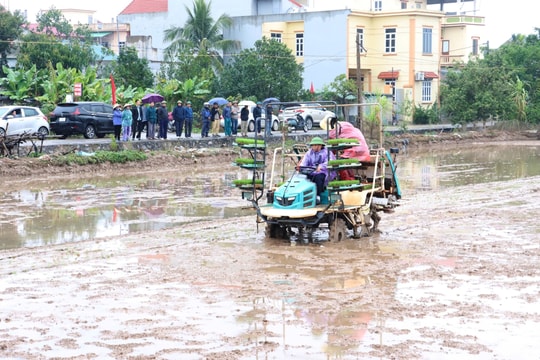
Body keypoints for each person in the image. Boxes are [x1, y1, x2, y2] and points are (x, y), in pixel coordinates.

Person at [320, 116, 370, 180]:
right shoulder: (345, 125)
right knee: (344, 161)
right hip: (364, 151)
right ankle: (351, 178)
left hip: (355, 151)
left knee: (339, 163)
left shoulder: (333, 132)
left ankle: (347, 180)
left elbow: (332, 148)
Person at [298, 136, 335, 201]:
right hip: (312, 171)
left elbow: (331, 161)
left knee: (319, 177)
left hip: (324, 172)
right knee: (302, 176)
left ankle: (317, 196)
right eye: (313, 145)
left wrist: (321, 166)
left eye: (316, 145)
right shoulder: (309, 153)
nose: (314, 147)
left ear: (320, 145)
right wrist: (301, 167)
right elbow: (304, 163)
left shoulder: (327, 152)